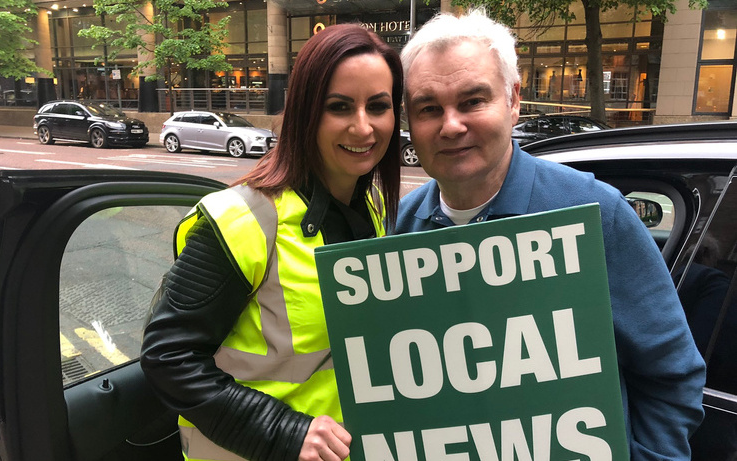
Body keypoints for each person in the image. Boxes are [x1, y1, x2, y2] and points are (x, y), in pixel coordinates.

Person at [395, 10, 706, 460]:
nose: (450, 125)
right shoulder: (397, 230)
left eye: (472, 101)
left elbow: (671, 373)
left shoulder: (596, 214)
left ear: (513, 99)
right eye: (428, 109)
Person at [141, 23, 402, 461]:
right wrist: (284, 432)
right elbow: (168, 358)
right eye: (339, 107)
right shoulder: (244, 219)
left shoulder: (373, 206)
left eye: (378, 106)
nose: (363, 127)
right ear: (305, 113)